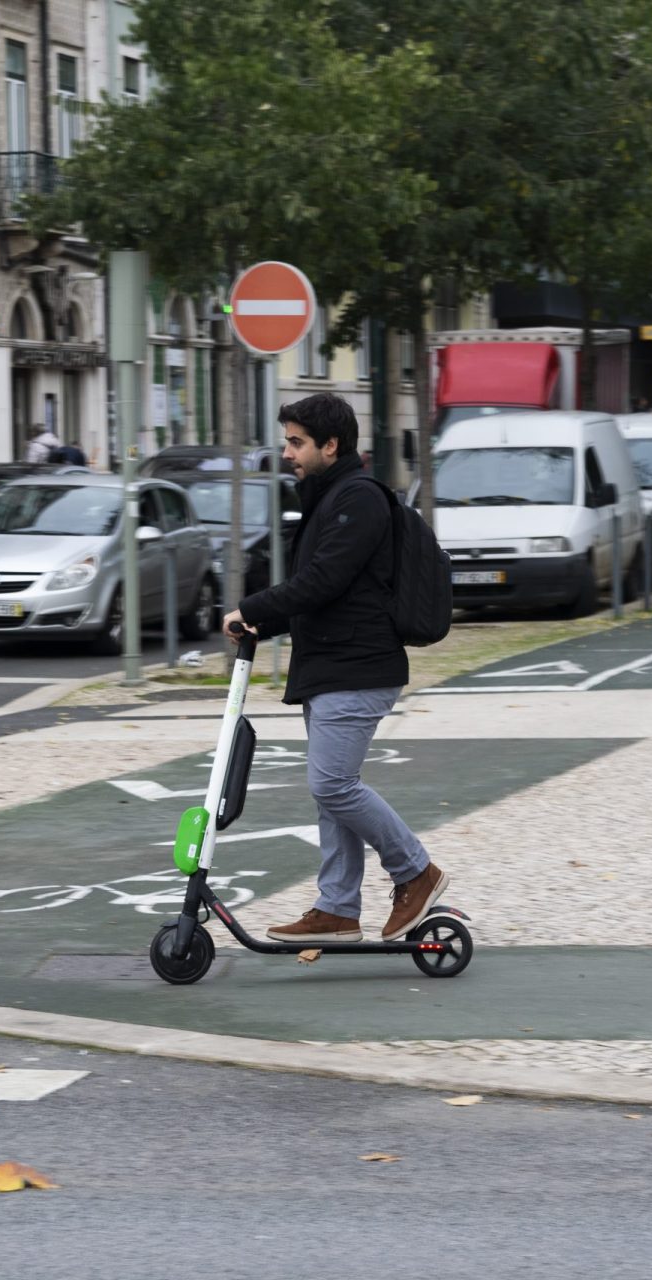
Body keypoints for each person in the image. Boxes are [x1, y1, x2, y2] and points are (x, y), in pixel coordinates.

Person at [221, 392, 448, 944]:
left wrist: (251, 608)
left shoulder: (357, 500)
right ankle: (338, 907)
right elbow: (325, 595)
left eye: (297, 443)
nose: (288, 452)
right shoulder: (330, 497)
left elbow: (324, 580)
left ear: (332, 444)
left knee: (333, 783)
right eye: (287, 441)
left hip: (359, 666)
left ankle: (416, 872)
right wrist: (265, 625)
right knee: (332, 787)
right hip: (333, 665)